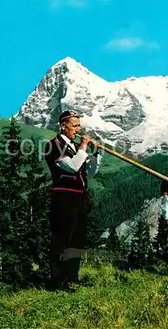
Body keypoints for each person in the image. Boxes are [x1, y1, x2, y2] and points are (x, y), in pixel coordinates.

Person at [44, 110, 102, 291]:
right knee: (62, 238)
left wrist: (97, 153)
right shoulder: (53, 145)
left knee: (77, 239)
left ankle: (71, 277)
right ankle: (58, 281)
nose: (78, 129)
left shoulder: (76, 147)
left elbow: (89, 172)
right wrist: (84, 146)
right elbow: (72, 167)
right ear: (63, 125)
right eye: (74, 126)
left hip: (80, 197)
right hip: (63, 197)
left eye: (79, 126)